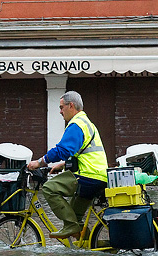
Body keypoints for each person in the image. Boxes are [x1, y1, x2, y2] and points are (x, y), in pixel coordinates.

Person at [27, 91, 109, 239]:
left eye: (61, 107)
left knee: (49, 188)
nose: (60, 111)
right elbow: (84, 152)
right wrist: (63, 165)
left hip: (88, 176)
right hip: (99, 176)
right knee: (74, 216)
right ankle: (91, 245)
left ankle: (71, 226)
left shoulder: (76, 124)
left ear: (71, 105)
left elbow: (63, 150)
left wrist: (39, 162)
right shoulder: (87, 123)